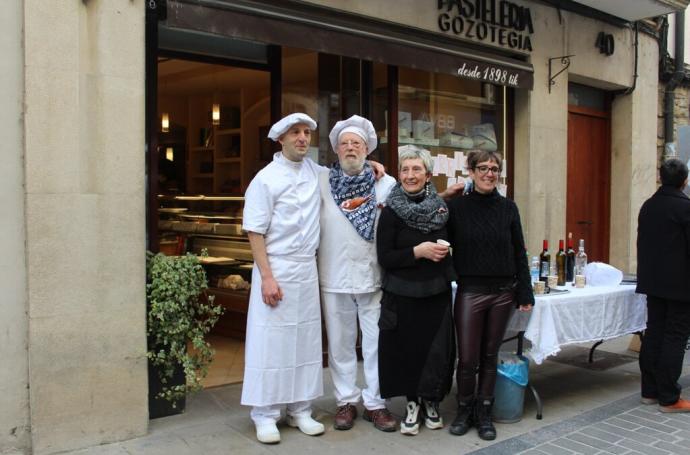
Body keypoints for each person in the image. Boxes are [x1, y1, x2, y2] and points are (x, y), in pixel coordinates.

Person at [241, 113, 325, 444]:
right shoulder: (265, 178)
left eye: (306, 133)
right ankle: (265, 413)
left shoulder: (316, 173)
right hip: (275, 267)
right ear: (281, 139)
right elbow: (254, 230)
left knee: (305, 340)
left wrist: (373, 168)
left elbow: (348, 177)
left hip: (306, 269)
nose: (303, 138)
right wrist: (266, 277)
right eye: (296, 133)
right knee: (271, 342)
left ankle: (301, 408)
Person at [446, 150, 533, 441]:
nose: (489, 173)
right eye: (482, 168)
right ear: (470, 171)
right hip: (470, 291)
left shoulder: (509, 208)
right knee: (468, 358)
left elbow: (519, 251)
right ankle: (464, 410)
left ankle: (484, 412)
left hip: (502, 293)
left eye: (494, 169)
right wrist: (445, 194)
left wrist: (525, 291)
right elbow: (435, 230)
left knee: (489, 356)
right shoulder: (457, 208)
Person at [318, 115, 398, 432]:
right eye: (345, 144)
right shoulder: (321, 179)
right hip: (333, 274)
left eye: (357, 143)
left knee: (376, 343)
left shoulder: (386, 183)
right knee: (340, 343)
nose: (350, 148)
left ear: (367, 149)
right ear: (336, 150)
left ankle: (375, 404)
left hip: (373, 276)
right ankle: (345, 401)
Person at [376, 145, 458, 436]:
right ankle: (412, 404)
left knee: (435, 352)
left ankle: (431, 401)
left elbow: (454, 245)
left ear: (428, 174)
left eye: (416, 169)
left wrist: (445, 256)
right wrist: (418, 251)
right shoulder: (390, 212)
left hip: (435, 292)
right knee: (408, 352)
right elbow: (385, 258)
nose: (410, 175)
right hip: (402, 294)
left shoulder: (441, 209)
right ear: (399, 175)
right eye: (405, 170)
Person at [636, 158, 690, 413]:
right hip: (680, 285)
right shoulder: (685, 208)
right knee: (675, 336)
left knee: (654, 332)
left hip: (653, 281)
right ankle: (668, 397)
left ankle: (649, 390)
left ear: (660, 178)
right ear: (685, 180)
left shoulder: (648, 206)